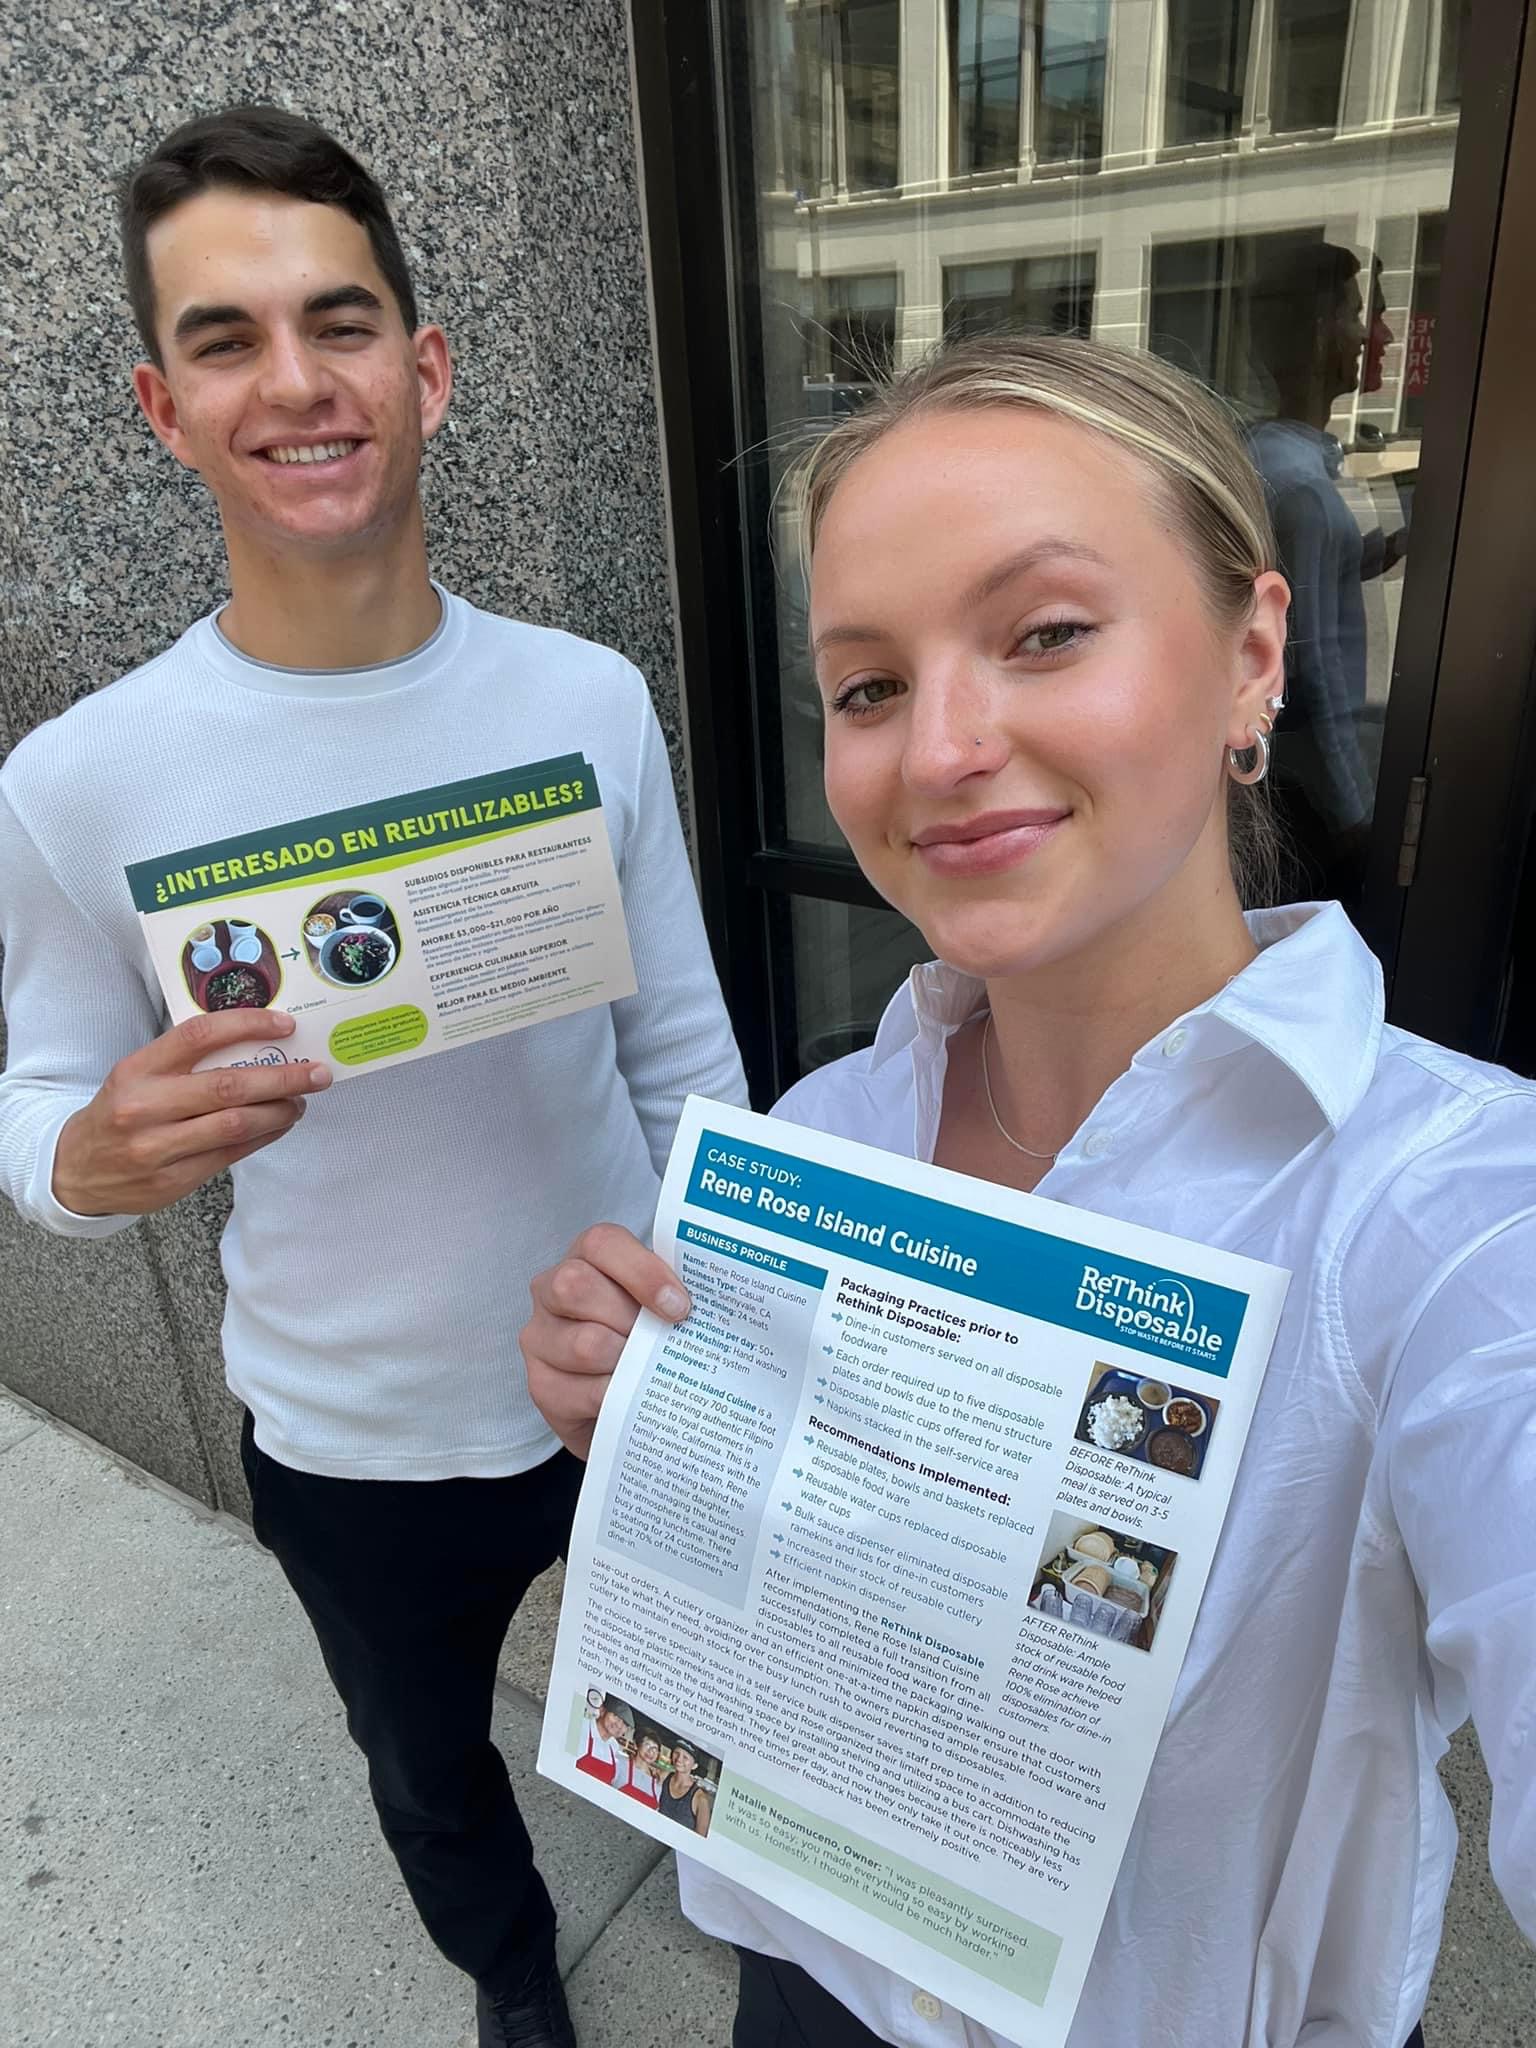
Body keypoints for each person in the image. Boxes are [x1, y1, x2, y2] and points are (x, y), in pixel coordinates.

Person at [518, 333, 1536, 2048]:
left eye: (1045, 632)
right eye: (867, 686)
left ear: (1252, 656)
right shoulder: (826, 1132)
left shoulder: (1441, 1202)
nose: (940, 748)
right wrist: (653, 1428)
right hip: (807, 1976)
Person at [0, 104, 745, 2048]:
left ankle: (766, 1924)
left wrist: (726, 1318)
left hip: (624, 1364)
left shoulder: (586, 700)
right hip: (344, 1433)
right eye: (227, 339)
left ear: (426, 369)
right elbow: (37, 1105)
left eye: (338, 322)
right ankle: (513, 1979)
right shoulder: (81, 780)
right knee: (427, 1776)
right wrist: (87, 1155)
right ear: (164, 411)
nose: (294, 379)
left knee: (704, 1712)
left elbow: (681, 1046)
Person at [1245, 241, 1407, 900]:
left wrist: (1378, 550)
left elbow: (1309, 579)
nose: (1382, 334)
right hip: (1309, 795)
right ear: (1317, 334)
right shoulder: (1301, 490)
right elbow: (1312, 670)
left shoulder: (1274, 458)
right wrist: (1353, 809)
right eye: (1357, 313)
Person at [657, 1743, 713, 1837]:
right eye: (677, 1753)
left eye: (685, 1757)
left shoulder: (700, 1799)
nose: (679, 1759)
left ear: (694, 1765)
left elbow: (700, 1838)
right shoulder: (663, 1777)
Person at [576, 1701, 634, 1786]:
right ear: (602, 1710)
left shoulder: (614, 1747)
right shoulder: (581, 1726)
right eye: (616, 1716)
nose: (619, 1725)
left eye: (625, 1724)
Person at [620, 1731, 665, 1808]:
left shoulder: (656, 1782)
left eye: (655, 1749)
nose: (651, 1751)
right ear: (636, 1746)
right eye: (647, 1745)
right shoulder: (621, 1763)